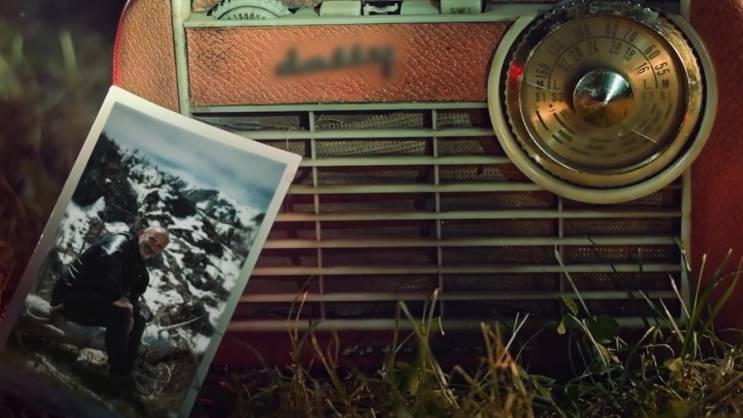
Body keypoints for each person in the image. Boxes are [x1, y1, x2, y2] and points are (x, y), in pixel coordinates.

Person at [50, 225, 170, 378]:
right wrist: (117, 299)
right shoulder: (119, 241)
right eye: (152, 239)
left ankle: (126, 371)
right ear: (141, 233)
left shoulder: (140, 269)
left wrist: (133, 312)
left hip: (92, 303)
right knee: (121, 314)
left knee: (139, 319)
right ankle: (117, 374)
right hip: (69, 297)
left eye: (159, 246)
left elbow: (132, 301)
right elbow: (108, 260)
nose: (153, 247)